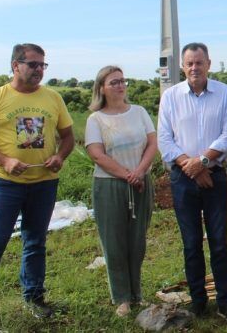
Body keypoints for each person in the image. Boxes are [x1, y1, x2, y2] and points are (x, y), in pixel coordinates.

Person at [0, 43, 75, 320]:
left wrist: (60, 156)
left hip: (44, 183)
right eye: (33, 64)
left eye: (42, 65)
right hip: (5, 184)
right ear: (15, 65)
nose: (39, 70)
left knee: (35, 242)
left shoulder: (53, 98)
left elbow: (67, 137)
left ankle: (34, 298)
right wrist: (4, 160)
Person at [157, 42, 227, 325]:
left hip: (214, 178)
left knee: (219, 243)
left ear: (209, 63)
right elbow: (165, 140)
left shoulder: (224, 92)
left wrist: (202, 163)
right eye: (189, 63)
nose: (194, 68)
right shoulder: (170, 96)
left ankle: (225, 301)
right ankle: (198, 301)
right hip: (183, 179)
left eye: (199, 62)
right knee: (191, 242)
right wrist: (190, 166)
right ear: (183, 66)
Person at [84, 66, 157, 317]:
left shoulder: (139, 112)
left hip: (141, 182)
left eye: (122, 81)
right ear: (101, 88)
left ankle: (137, 293)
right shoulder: (96, 119)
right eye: (113, 82)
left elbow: (152, 143)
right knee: (114, 242)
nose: (120, 85)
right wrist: (127, 175)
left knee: (137, 241)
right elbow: (96, 154)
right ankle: (122, 297)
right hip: (110, 185)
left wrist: (139, 172)